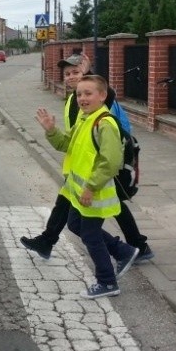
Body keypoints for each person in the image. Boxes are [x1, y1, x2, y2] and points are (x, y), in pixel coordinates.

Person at [20, 53, 153, 262]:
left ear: (86, 73)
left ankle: (133, 249)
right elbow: (74, 137)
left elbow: (105, 101)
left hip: (105, 160)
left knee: (107, 206)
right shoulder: (75, 98)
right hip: (84, 163)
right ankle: (49, 239)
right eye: (67, 74)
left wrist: (89, 72)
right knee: (84, 206)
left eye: (76, 72)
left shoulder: (93, 96)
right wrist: (52, 131)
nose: (71, 77)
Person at [36, 75, 140, 299]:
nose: (82, 98)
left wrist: (91, 187)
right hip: (78, 192)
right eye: (79, 94)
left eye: (88, 93)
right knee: (74, 224)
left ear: (102, 96)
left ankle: (107, 281)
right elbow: (66, 145)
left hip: (94, 192)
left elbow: (110, 161)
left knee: (91, 236)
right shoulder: (85, 119)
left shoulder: (104, 123)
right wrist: (51, 130)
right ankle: (123, 250)